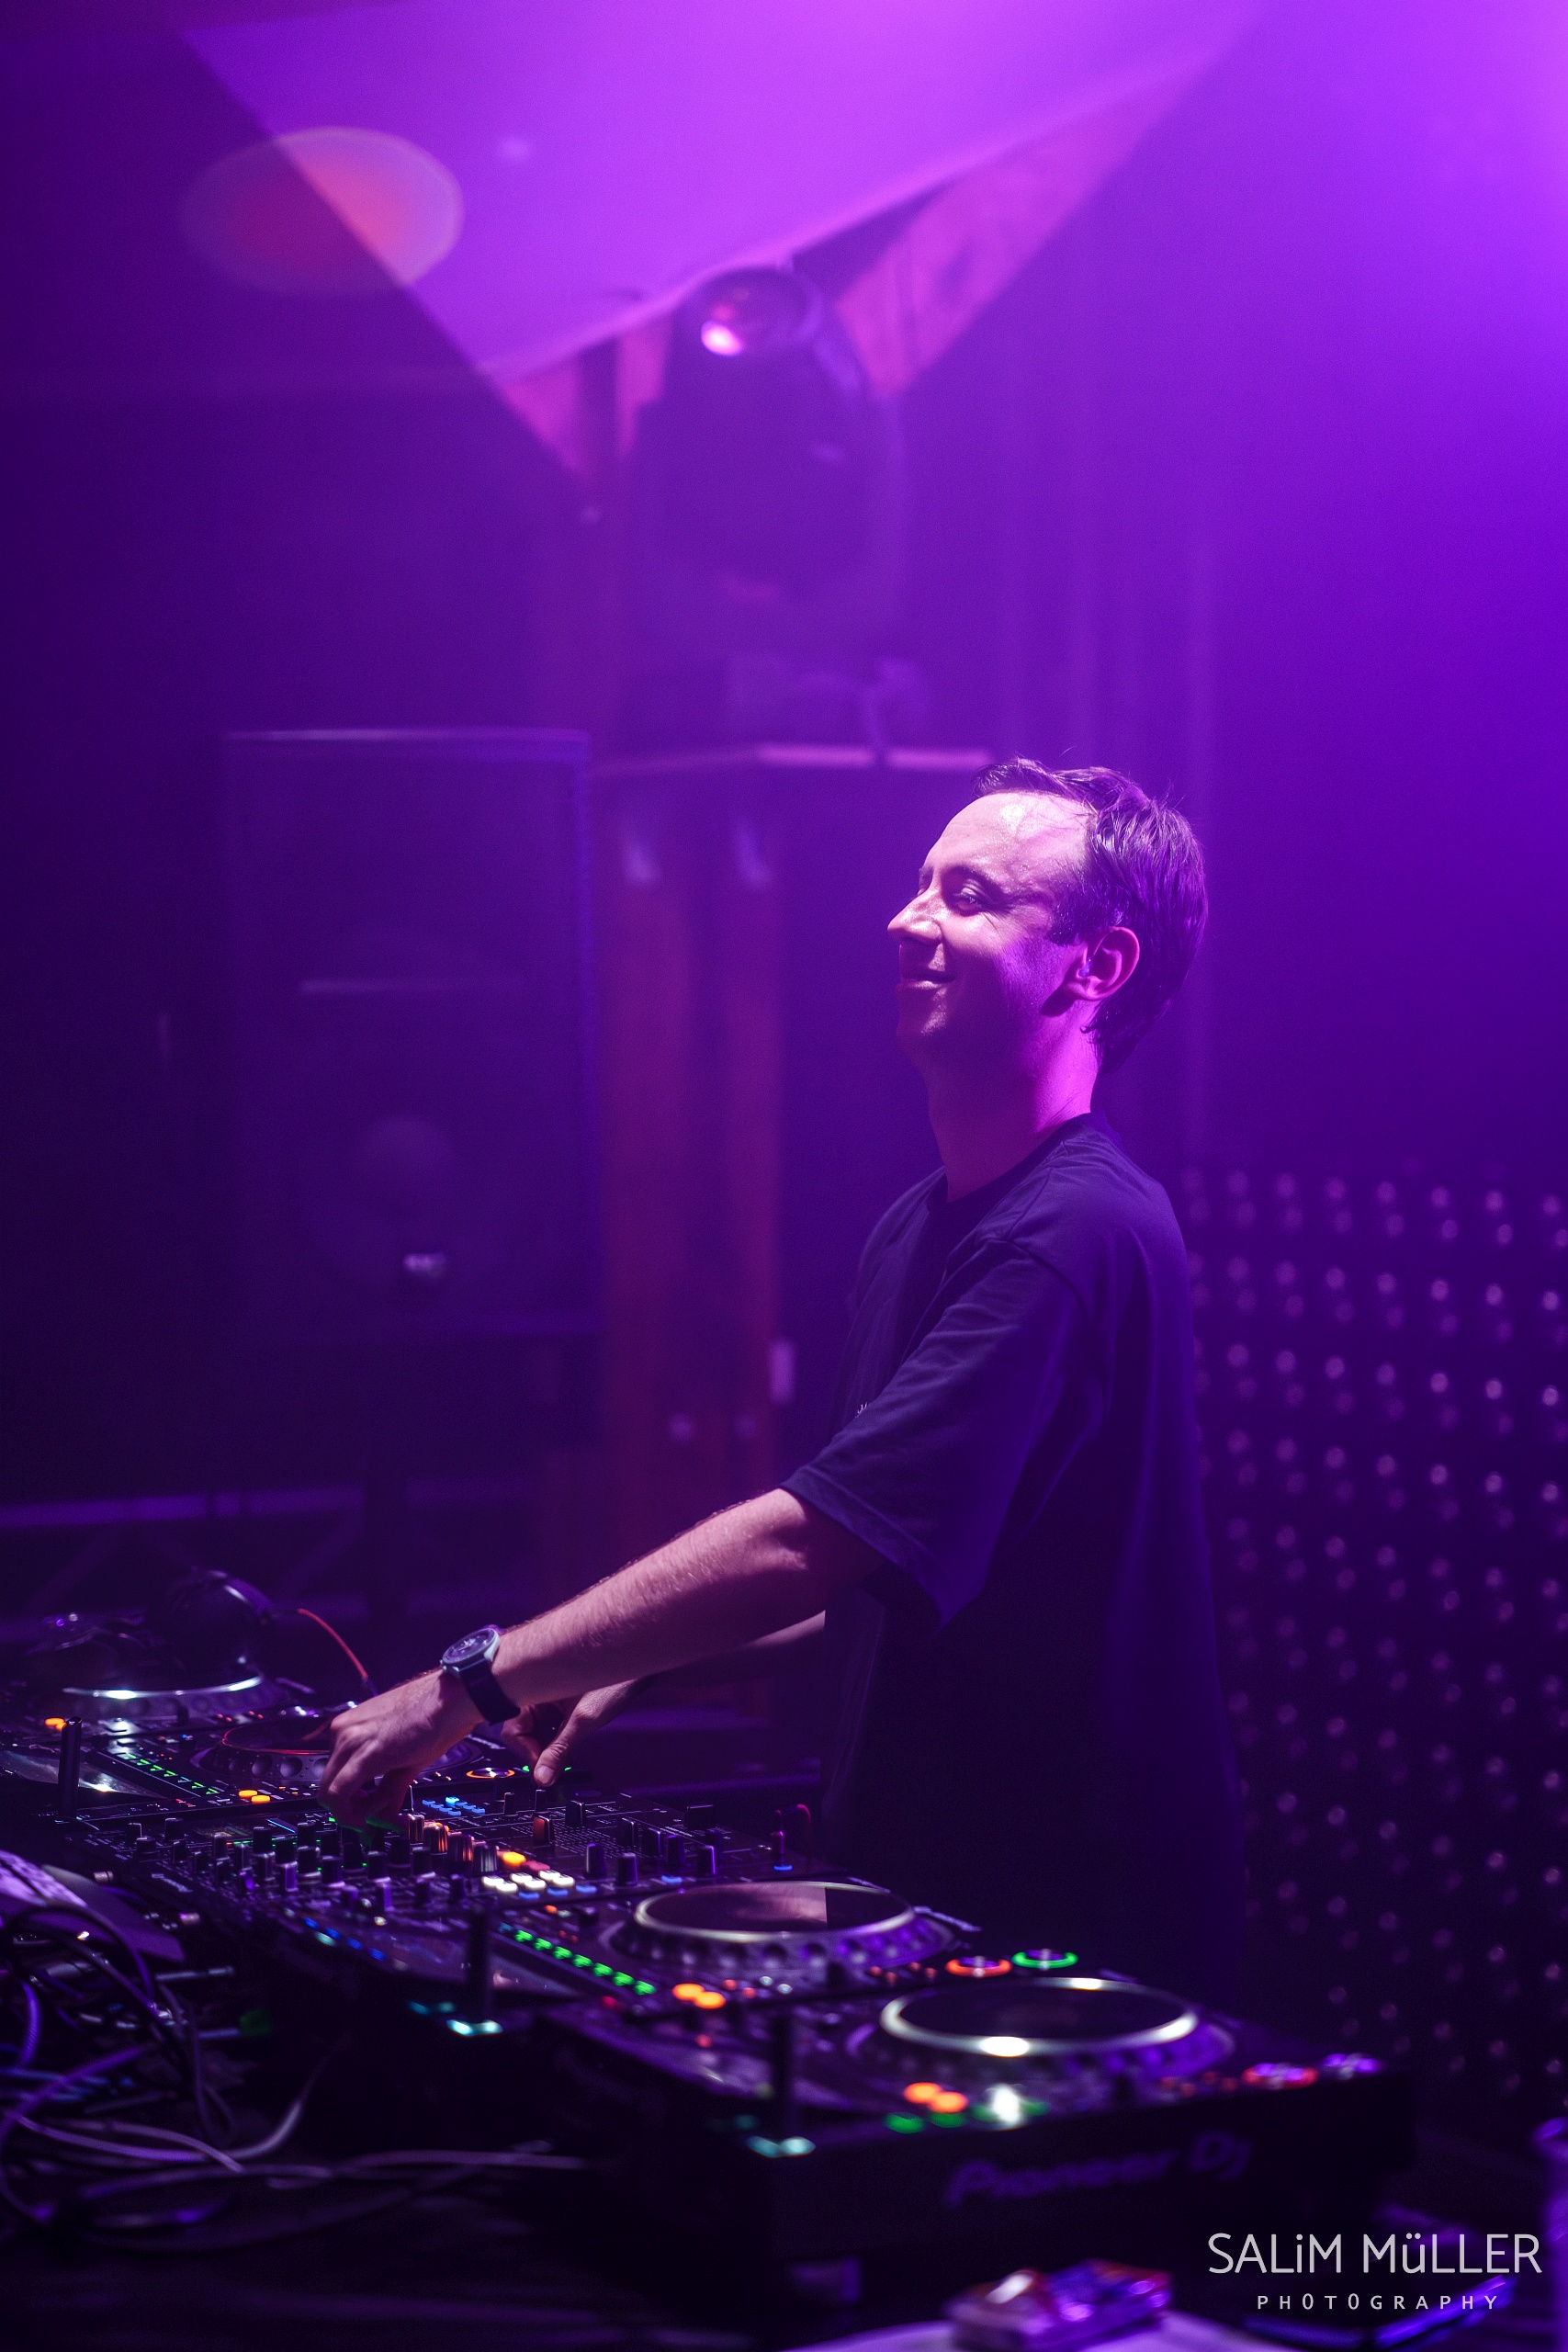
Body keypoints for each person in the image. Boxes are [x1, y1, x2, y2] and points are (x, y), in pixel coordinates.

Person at [321, 762, 1243, 2004]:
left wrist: (472, 1683)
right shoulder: (918, 1227)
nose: (907, 920)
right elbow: (895, 1575)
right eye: (921, 885)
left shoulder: (1075, 1233)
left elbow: (814, 1540)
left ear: (1097, 966)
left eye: (970, 896)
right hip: (929, 1882)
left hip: (1069, 1926)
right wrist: (650, 1662)